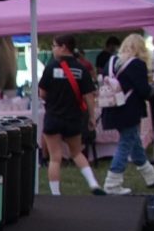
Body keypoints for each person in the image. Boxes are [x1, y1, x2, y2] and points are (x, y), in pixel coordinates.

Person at [38, 33, 105, 196]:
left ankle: (56, 193)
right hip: (73, 118)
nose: (53, 49)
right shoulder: (81, 69)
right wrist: (91, 117)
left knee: (55, 158)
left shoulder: (51, 67)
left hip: (53, 117)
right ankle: (93, 183)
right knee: (76, 152)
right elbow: (89, 96)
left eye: (54, 46)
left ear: (63, 47)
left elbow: (42, 93)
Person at [100, 34, 154, 194]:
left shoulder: (111, 62)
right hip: (128, 110)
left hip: (111, 108)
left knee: (134, 141)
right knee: (126, 143)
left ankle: (150, 174)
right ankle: (112, 183)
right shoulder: (137, 64)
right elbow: (143, 91)